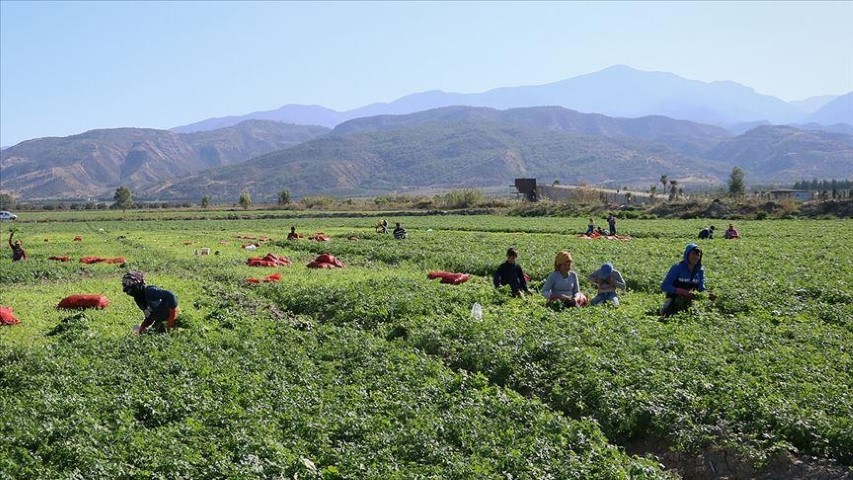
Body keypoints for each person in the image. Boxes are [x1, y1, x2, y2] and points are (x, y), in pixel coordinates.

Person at [660, 243, 716, 317]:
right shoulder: (677, 267)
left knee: (695, 315)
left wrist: (707, 294)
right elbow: (664, 286)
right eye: (693, 254)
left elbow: (701, 288)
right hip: (675, 298)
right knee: (669, 314)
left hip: (690, 300)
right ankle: (667, 305)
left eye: (698, 255)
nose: (695, 257)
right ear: (687, 255)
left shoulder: (700, 270)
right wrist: (683, 292)